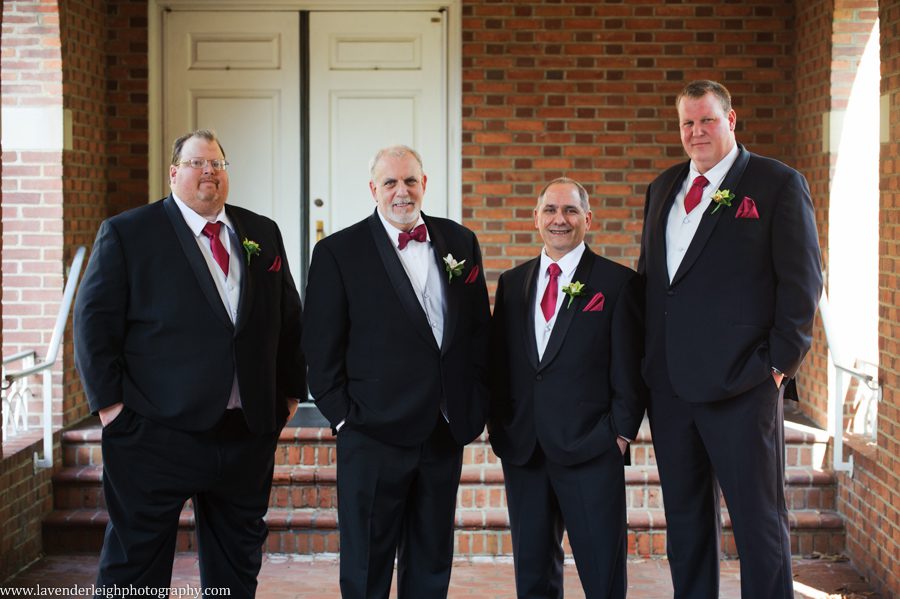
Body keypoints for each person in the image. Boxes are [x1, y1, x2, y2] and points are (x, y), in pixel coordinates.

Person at [74, 129, 305, 598]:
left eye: (218, 165)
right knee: (134, 564)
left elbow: (289, 318)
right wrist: (111, 409)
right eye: (198, 164)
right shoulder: (128, 233)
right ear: (174, 172)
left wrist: (289, 394)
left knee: (237, 563)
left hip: (245, 432)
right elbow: (93, 324)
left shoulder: (261, 231)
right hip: (154, 432)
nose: (209, 174)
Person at [638, 80, 823, 598]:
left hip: (744, 384)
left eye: (707, 120)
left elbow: (802, 282)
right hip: (672, 390)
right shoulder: (663, 189)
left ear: (731, 120)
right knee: (687, 523)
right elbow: (654, 284)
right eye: (687, 123)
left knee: (758, 522)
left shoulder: (776, 184)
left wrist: (778, 365)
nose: (696, 132)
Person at [302, 144, 491, 598]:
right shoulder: (337, 252)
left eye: (410, 181)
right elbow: (320, 346)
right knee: (367, 564)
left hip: (441, 431)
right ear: (373, 190)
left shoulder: (459, 242)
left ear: (424, 185)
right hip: (372, 433)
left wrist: (474, 403)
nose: (401, 191)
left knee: (430, 563)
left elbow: (477, 332)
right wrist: (344, 416)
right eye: (390, 182)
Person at [488, 177, 645, 599]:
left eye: (571, 211)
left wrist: (620, 434)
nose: (561, 219)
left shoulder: (617, 284)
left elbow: (631, 368)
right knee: (533, 576)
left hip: (592, 448)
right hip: (525, 450)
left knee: (602, 576)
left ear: (587, 219)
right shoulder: (512, 283)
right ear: (535, 219)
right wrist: (501, 426)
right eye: (551, 210)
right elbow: (501, 363)